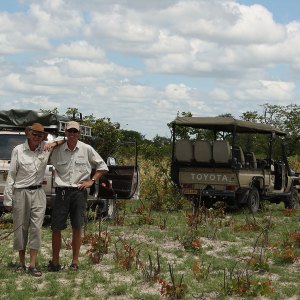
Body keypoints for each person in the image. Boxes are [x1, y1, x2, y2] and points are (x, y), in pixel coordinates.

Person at [3, 123, 63, 277]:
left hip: (38, 193)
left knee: (36, 228)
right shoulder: (18, 150)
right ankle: (21, 263)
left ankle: (32, 265)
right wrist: (8, 200)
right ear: (29, 135)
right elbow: (11, 176)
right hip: (21, 192)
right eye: (35, 134)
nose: (37, 138)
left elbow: (64, 138)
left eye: (40, 136)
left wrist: (53, 143)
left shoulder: (45, 147)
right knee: (21, 228)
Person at [48, 121, 108, 272]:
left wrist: (91, 181)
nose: (72, 134)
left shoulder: (86, 149)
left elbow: (102, 167)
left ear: (79, 133)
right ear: (66, 133)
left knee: (77, 227)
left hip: (79, 192)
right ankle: (55, 262)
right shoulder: (57, 148)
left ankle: (75, 262)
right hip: (62, 191)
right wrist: (55, 142)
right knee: (56, 227)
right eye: (70, 131)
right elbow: (43, 150)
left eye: (75, 131)